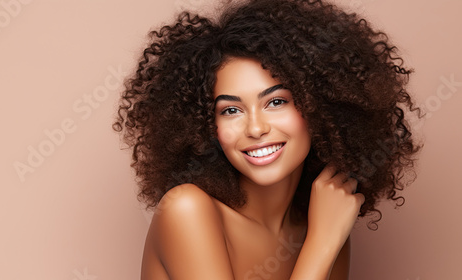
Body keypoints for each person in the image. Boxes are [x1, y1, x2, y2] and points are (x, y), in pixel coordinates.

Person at [112, 0, 421, 279]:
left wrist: (324, 237)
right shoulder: (186, 210)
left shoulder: (324, 221)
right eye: (231, 110)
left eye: (276, 102)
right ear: (206, 126)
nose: (256, 128)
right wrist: (320, 244)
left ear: (322, 107)